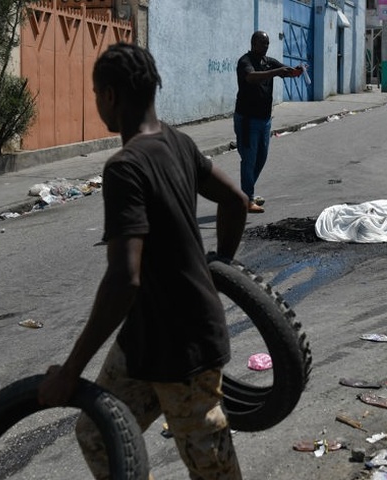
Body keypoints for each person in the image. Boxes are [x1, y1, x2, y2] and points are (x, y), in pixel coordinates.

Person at [37, 43, 248, 479]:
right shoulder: (179, 141)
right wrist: (220, 265)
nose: (97, 103)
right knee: (98, 435)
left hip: (186, 346)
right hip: (145, 337)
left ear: (110, 95)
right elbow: (236, 200)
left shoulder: (124, 168)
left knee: (212, 469)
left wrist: (71, 371)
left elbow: (123, 280)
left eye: (97, 93)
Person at [234, 30, 302, 213]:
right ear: (253, 44)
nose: (266, 47)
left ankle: (243, 195)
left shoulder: (268, 62)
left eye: (267, 44)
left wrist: (296, 71)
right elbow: (250, 77)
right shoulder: (245, 62)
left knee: (261, 158)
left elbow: (285, 71)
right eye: (262, 43)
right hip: (247, 120)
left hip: (264, 120)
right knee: (249, 159)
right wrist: (275, 72)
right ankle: (246, 199)